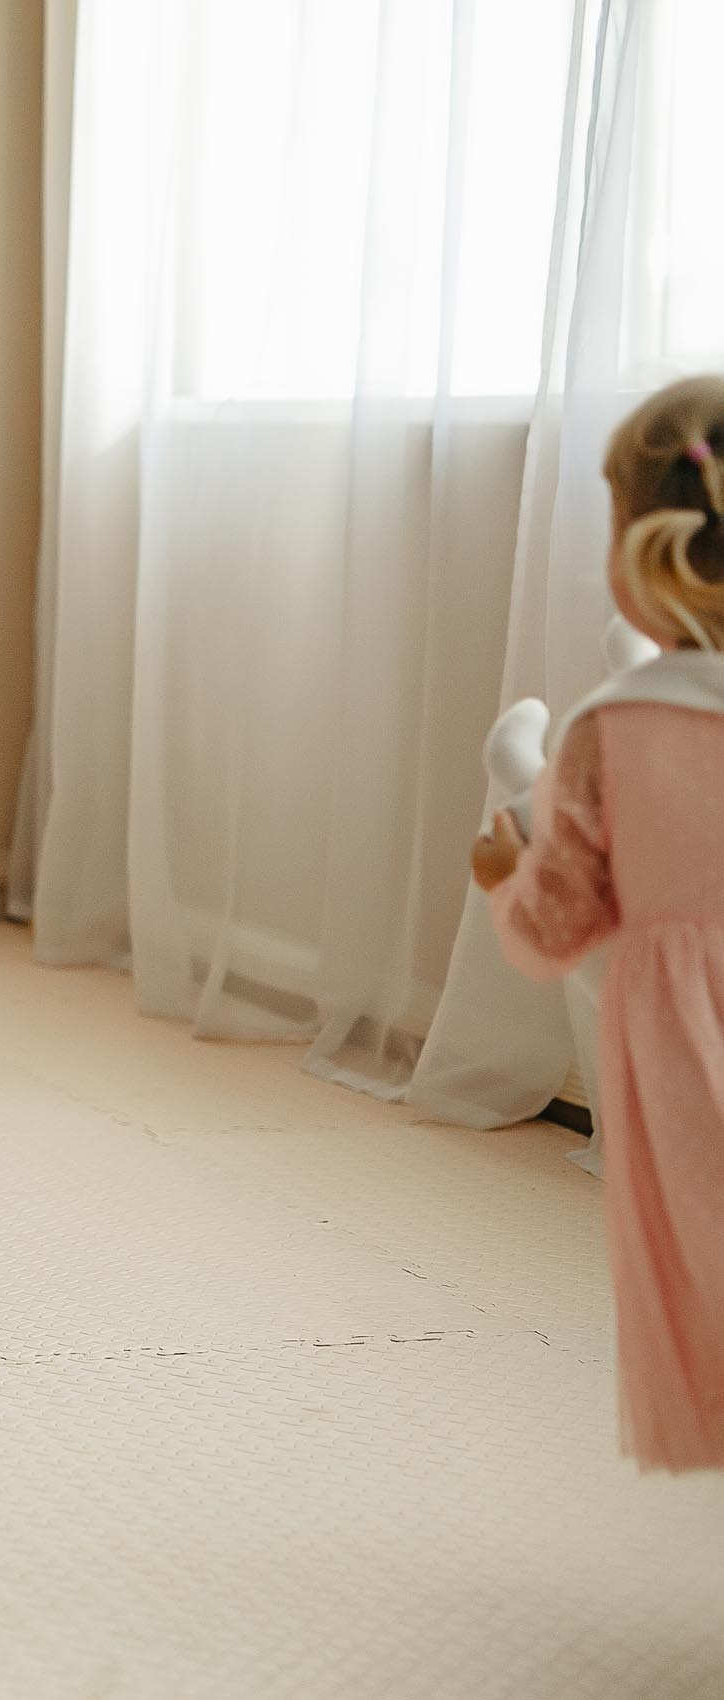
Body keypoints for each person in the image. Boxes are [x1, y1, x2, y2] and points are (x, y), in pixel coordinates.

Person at [474, 374, 724, 1470]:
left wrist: (504, 872)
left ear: (639, 544)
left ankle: (510, 780)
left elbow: (558, 927)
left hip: (692, 1050)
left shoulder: (612, 731)